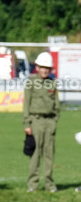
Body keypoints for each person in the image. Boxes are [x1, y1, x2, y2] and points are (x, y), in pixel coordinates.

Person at [23, 51, 58, 193]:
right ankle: (33, 184)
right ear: (37, 67)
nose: (44, 70)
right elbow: (26, 104)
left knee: (49, 154)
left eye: (47, 68)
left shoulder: (53, 83)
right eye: (42, 67)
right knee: (35, 154)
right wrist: (27, 123)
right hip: (35, 121)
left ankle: (49, 184)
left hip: (49, 122)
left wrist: (55, 121)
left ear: (50, 69)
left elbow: (56, 105)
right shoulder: (31, 82)